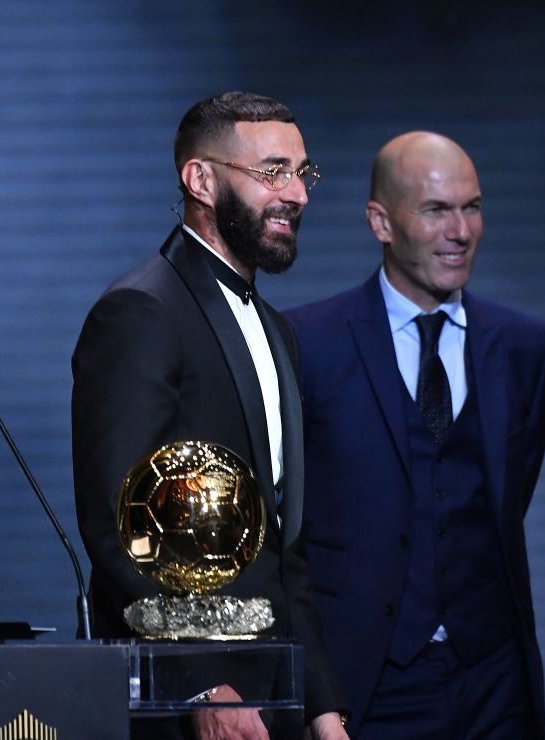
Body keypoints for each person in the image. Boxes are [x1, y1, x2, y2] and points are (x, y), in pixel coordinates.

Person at [72, 91, 348, 740]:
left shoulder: (278, 331)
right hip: (184, 709)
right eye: (272, 171)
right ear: (200, 179)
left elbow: (284, 549)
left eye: (302, 173)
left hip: (274, 700)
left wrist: (322, 709)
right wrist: (198, 680)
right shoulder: (141, 314)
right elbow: (121, 526)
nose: (299, 195)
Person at [285, 132, 545, 739]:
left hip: (493, 680)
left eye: (473, 207)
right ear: (380, 222)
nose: (460, 231)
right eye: (436, 210)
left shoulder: (523, 346)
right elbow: (287, 536)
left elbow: (509, 495)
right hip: (371, 682)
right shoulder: (309, 344)